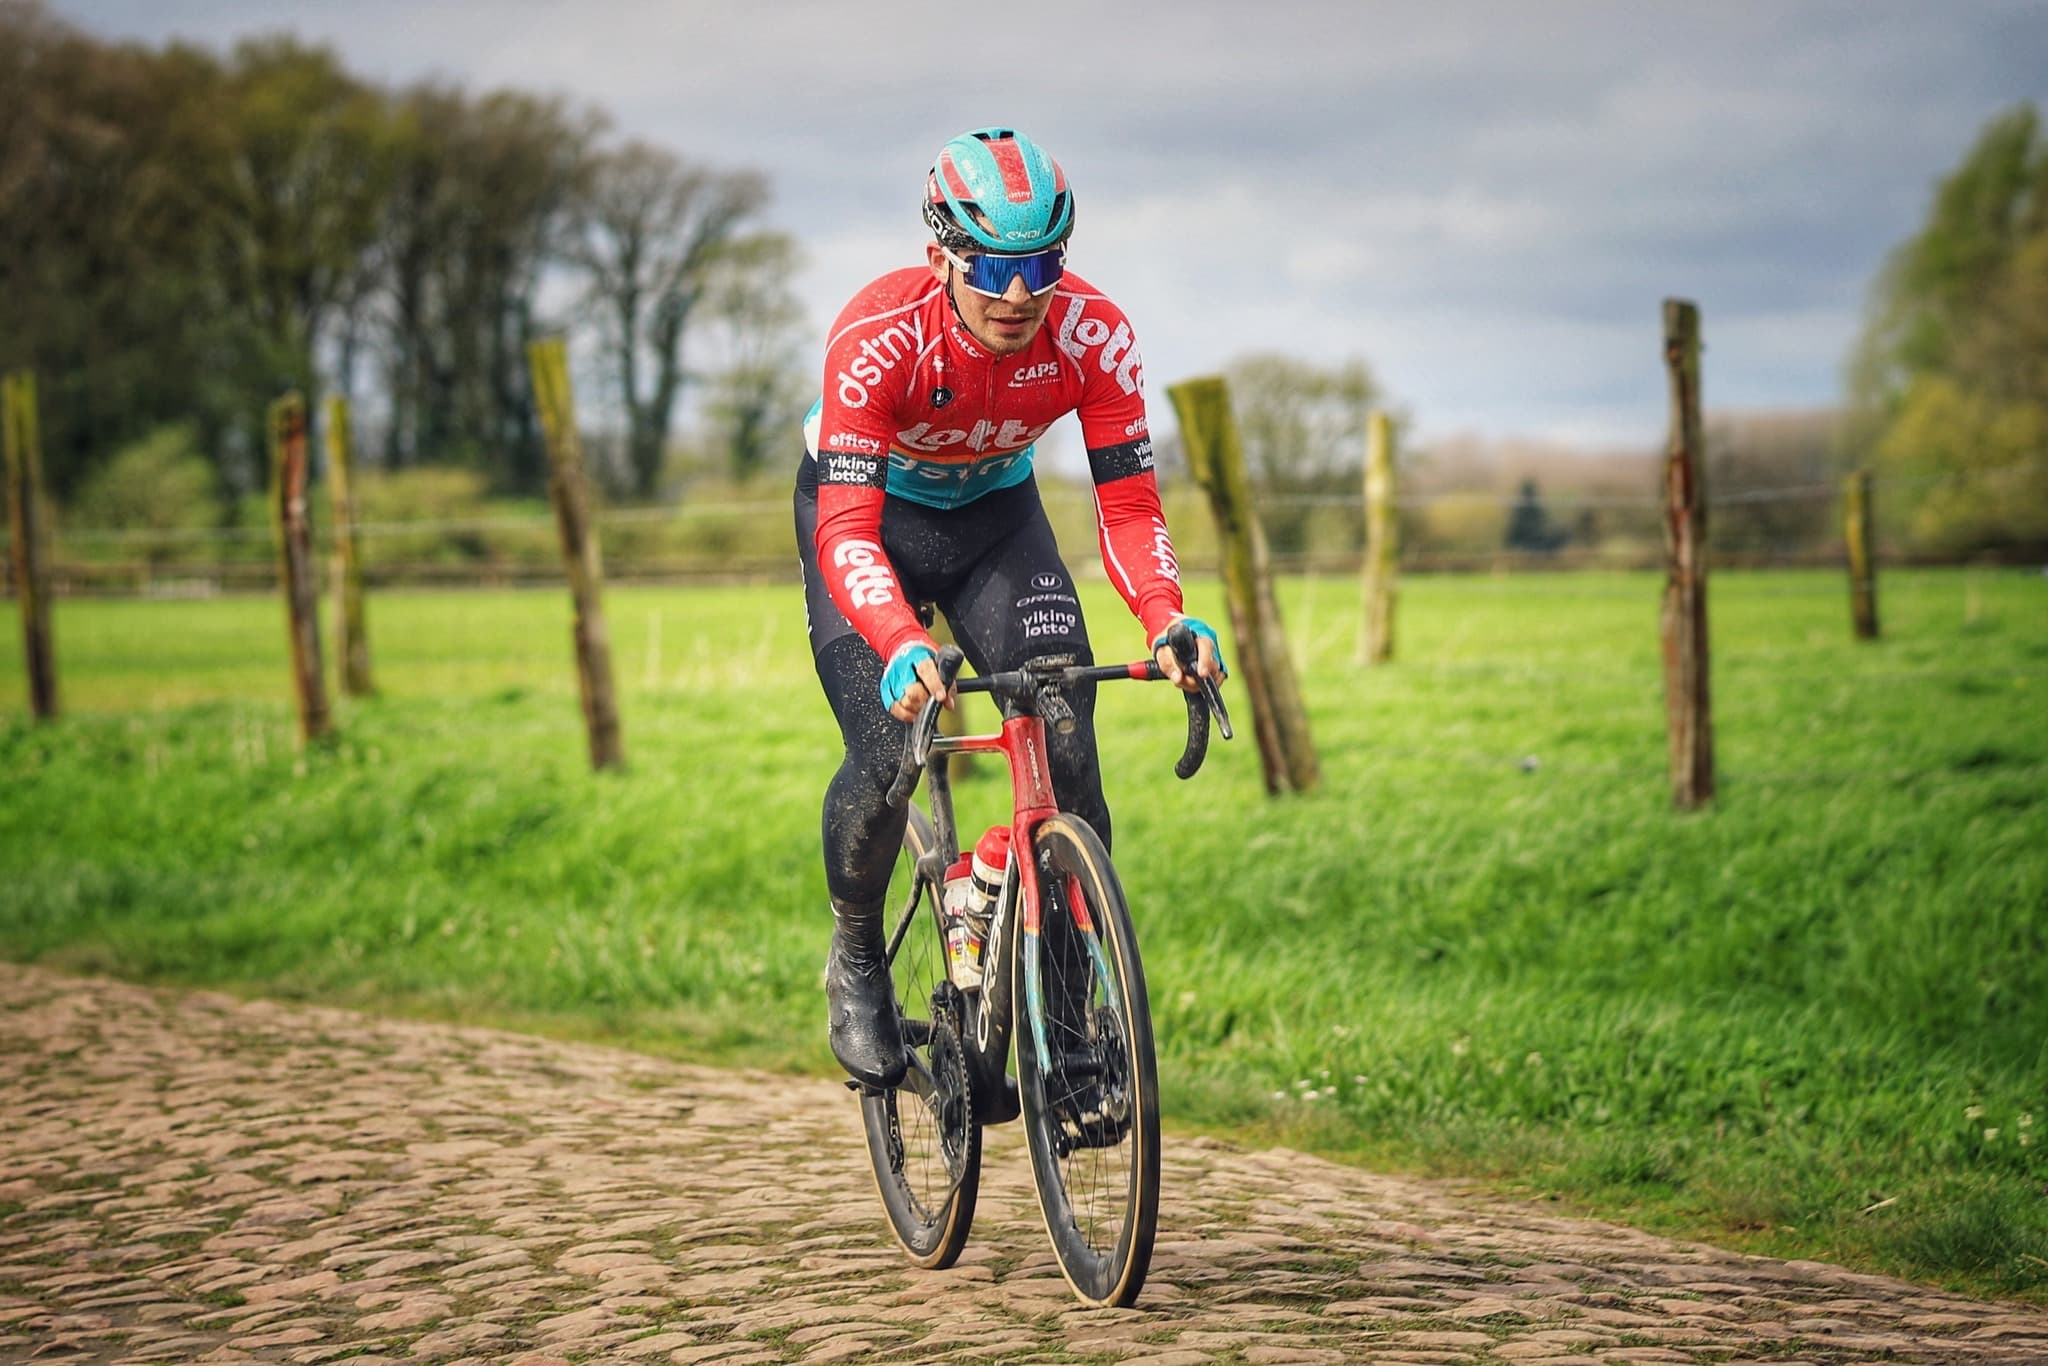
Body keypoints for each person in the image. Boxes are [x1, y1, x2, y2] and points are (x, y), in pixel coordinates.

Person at [794, 126, 1225, 1089]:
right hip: (870, 526)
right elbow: (847, 534)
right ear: (940, 254)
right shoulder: (878, 338)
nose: (1019, 293)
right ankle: (858, 956)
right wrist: (903, 640)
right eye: (992, 265)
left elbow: (1128, 502)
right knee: (883, 749)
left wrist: (1165, 618)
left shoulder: (1093, 333)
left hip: (996, 521)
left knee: (1067, 732)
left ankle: (1068, 1025)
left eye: (1041, 263)